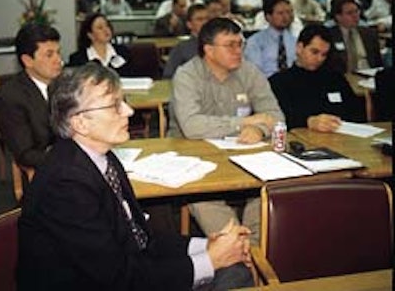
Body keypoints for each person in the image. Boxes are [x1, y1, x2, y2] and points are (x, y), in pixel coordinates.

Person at [17, 62, 255, 290]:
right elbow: (118, 279)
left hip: (122, 273)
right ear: (80, 123)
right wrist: (211, 260)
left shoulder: (102, 157)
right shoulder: (65, 184)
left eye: (124, 101)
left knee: (233, 267)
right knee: (233, 273)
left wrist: (207, 246)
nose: (129, 111)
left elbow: (140, 237)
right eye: (114, 105)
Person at [168, 18, 284, 244]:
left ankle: (253, 252)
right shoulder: (186, 75)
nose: (238, 50)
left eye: (240, 44)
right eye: (230, 45)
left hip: (241, 152)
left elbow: (275, 116)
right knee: (202, 197)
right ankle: (237, 250)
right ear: (209, 50)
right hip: (194, 156)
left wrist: (259, 130)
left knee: (268, 189)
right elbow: (192, 127)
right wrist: (245, 122)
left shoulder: (249, 72)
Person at [269, 24, 366, 132]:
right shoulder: (279, 82)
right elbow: (277, 118)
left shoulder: (335, 78)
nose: (320, 59)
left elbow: (356, 112)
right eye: (314, 52)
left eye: (324, 54)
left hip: (342, 137)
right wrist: (307, 122)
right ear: (299, 48)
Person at [0, 23, 62, 168]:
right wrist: (69, 160)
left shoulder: (63, 84)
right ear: (28, 60)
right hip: (46, 171)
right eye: (49, 54)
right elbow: (26, 154)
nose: (58, 60)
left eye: (58, 52)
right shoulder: (10, 96)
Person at [327, 0, 383, 74]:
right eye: (349, 13)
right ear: (338, 17)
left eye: (356, 11)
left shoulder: (369, 33)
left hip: (369, 76)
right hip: (343, 78)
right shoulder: (329, 35)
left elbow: (378, 63)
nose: (355, 16)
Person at [244, 0, 297, 78]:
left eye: (288, 12)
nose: (286, 17)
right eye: (280, 13)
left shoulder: (294, 41)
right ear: (268, 17)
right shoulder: (255, 42)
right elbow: (255, 73)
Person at [67, 12, 132, 77]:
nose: (106, 30)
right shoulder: (78, 59)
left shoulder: (123, 52)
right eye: (100, 27)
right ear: (90, 35)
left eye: (107, 25)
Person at [163, 4, 209, 78]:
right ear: (189, 24)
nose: (205, 23)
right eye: (199, 19)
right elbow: (168, 75)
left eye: (207, 19)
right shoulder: (181, 48)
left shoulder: (220, 45)